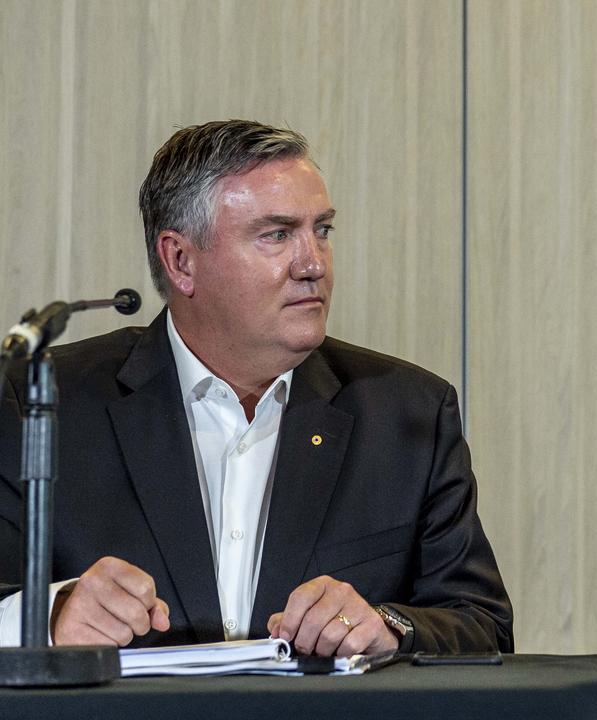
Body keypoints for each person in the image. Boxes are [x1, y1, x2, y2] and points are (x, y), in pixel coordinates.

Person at [0, 120, 513, 656]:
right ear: (181, 261)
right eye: (277, 234)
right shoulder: (39, 403)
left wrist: (387, 627)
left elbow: (483, 626)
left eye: (323, 231)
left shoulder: (409, 414)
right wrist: (51, 615)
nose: (313, 263)